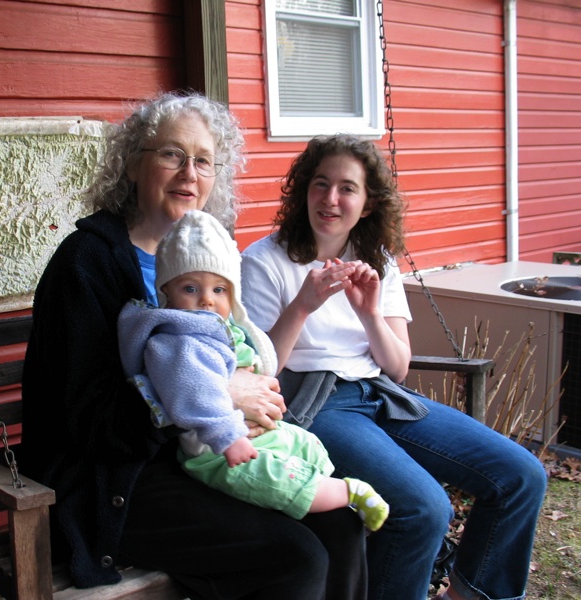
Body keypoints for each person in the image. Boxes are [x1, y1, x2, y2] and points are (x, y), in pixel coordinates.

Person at [21, 93, 368, 600]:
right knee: (293, 556)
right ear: (133, 163)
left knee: (342, 520)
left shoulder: (210, 257)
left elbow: (245, 354)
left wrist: (249, 396)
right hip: (116, 477)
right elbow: (90, 422)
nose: (189, 173)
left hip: (202, 455)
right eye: (170, 154)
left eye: (203, 160)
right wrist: (218, 394)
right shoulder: (87, 263)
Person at [240, 134, 548, 600]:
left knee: (521, 476)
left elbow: (398, 367)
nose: (330, 198)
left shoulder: (378, 261)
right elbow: (263, 373)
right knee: (424, 507)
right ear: (304, 190)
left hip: (382, 395)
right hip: (316, 405)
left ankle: (468, 594)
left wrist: (369, 313)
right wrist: (302, 306)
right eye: (320, 184)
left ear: (366, 204)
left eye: (347, 188)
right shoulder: (264, 260)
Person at [117, 210, 389, 529]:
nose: (206, 299)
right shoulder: (178, 341)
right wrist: (228, 438)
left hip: (253, 432)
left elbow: (263, 362)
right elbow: (193, 394)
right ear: (167, 293)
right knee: (274, 479)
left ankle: (324, 491)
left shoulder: (224, 327)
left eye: (219, 290)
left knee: (306, 445)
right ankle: (348, 492)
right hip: (214, 449)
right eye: (190, 289)